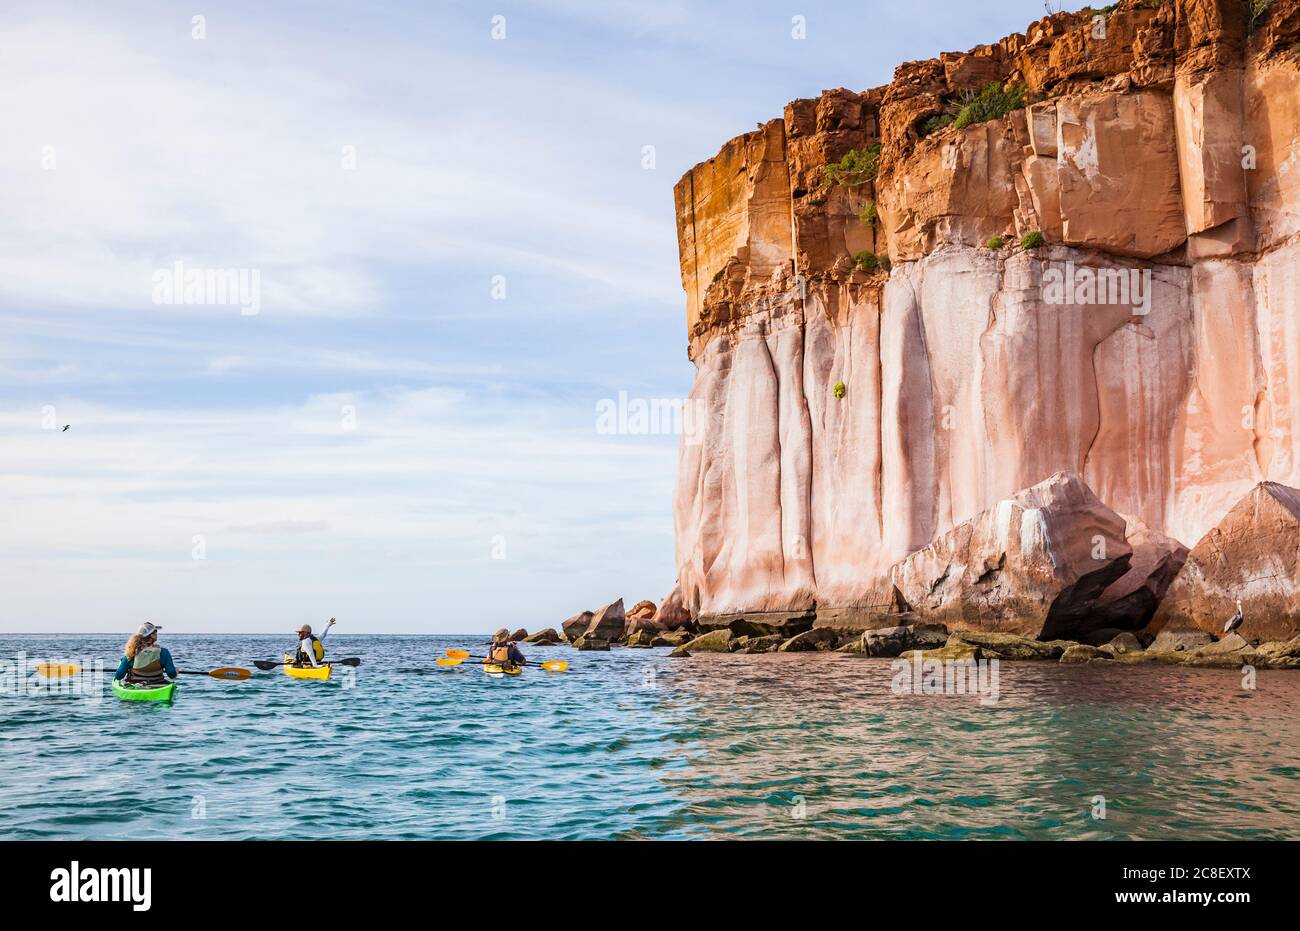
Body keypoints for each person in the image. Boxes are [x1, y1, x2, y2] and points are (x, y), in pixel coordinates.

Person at [113, 622, 177, 685]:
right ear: (152, 635)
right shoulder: (163, 652)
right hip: (158, 684)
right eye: (156, 632)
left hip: (135, 685)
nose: (157, 634)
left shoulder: (131, 653)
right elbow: (171, 674)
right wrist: (176, 672)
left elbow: (119, 676)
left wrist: (121, 664)